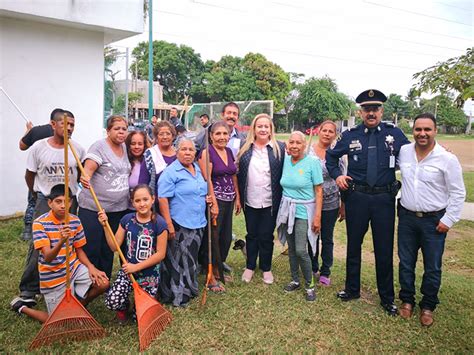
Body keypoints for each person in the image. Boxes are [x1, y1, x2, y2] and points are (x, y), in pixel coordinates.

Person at [326, 89, 410, 316]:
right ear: (360, 111)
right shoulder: (350, 135)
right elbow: (331, 156)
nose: (371, 113)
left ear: (382, 111)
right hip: (357, 198)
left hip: (384, 199)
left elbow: (416, 152)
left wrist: (440, 151)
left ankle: (387, 298)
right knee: (354, 245)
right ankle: (352, 289)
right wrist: (338, 176)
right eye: (367, 109)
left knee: (384, 249)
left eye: (375, 109)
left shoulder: (396, 134)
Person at [397, 113, 465, 326]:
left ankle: (428, 305)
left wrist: (449, 219)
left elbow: (458, 192)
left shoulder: (447, 158)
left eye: (427, 129)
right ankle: (407, 301)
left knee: (432, 266)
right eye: (418, 129)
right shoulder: (404, 152)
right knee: (406, 263)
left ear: (435, 131)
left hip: (434, 221)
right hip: (407, 217)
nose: (422, 134)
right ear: (413, 131)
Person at [12, 110, 85, 308]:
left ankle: (62, 282)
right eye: (64, 124)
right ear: (53, 125)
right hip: (46, 200)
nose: (69, 128)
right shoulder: (38, 148)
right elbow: (30, 175)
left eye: (72, 124)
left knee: (67, 240)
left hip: (70, 201)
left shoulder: (77, 149)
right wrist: (36, 195)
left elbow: (81, 176)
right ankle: (29, 289)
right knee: (40, 245)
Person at [10, 184, 109, 323]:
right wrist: (61, 240)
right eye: (58, 201)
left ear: (71, 202)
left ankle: (77, 306)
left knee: (103, 282)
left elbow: (79, 250)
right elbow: (48, 257)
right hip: (53, 275)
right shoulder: (40, 223)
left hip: (73, 268)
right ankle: (22, 307)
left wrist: (92, 267)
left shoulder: (74, 220)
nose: (63, 205)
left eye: (66, 201)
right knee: (59, 321)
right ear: (50, 203)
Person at [98, 184, 168, 324]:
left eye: (145, 199)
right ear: (132, 202)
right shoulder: (127, 220)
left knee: (140, 318)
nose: (142, 204)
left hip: (149, 275)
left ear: (153, 199)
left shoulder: (159, 223)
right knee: (112, 302)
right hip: (128, 273)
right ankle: (124, 307)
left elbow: (160, 254)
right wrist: (105, 226)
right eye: (137, 201)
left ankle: (146, 300)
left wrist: (137, 267)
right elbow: (114, 247)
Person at [158, 139, 215, 307]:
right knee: (178, 260)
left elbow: (200, 190)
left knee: (190, 259)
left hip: (197, 222)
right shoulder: (171, 172)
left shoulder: (196, 168)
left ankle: (189, 289)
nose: (188, 152)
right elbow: (163, 198)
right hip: (179, 223)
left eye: (191, 149)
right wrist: (168, 224)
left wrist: (208, 198)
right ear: (177, 151)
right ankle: (177, 296)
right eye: (184, 149)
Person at [78, 115, 131, 279]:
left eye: (124, 129)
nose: (121, 132)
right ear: (108, 131)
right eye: (117, 129)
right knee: (92, 247)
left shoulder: (125, 148)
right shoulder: (99, 147)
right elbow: (89, 168)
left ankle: (105, 281)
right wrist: (85, 175)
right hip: (94, 209)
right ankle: (89, 281)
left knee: (108, 248)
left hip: (118, 209)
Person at [236, 113, 285, 285]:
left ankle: (266, 268)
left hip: (271, 201)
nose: (263, 129)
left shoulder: (280, 148)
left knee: (266, 236)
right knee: (252, 235)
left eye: (266, 126)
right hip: (250, 200)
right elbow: (237, 173)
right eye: (260, 126)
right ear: (254, 129)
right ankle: (250, 266)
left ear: (271, 129)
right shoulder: (244, 147)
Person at [276, 131, 323, 302]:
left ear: (304, 145)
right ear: (287, 144)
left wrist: (317, 216)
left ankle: (309, 285)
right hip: (287, 210)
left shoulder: (312, 162)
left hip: (304, 211)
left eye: (298, 143)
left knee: (301, 250)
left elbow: (319, 190)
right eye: (292, 142)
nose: (295, 146)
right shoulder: (286, 161)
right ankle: (295, 279)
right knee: (291, 248)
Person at [198, 121, 241, 288]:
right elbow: (207, 179)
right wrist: (214, 203)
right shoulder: (206, 153)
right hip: (216, 201)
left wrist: (237, 197)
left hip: (229, 200)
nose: (222, 137)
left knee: (225, 237)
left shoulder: (229, 152)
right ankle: (210, 275)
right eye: (218, 134)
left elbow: (233, 175)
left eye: (225, 134)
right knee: (213, 237)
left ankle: (218, 269)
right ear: (211, 136)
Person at [309, 120, 346, 286]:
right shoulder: (308, 152)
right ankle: (312, 266)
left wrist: (343, 205)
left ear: (335, 135)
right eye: (324, 130)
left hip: (330, 201)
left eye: (331, 131)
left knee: (327, 238)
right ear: (319, 131)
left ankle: (326, 271)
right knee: (312, 235)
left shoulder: (338, 154)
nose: (327, 134)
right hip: (310, 201)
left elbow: (343, 181)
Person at [19, 108, 61, 241]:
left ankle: (28, 230)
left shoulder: (36, 131)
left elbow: (22, 146)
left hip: (38, 173)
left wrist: (29, 131)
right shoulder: (63, 131)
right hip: (56, 173)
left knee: (33, 200)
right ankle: (53, 229)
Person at [138, 120, 177, 198]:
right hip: (157, 202)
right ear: (156, 137)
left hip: (178, 202)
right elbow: (143, 183)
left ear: (173, 136)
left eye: (168, 134)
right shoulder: (150, 154)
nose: (165, 137)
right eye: (161, 134)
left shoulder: (179, 154)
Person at [125, 131, 148, 210]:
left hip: (145, 210)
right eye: (133, 144)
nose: (136, 147)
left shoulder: (149, 164)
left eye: (140, 144)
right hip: (125, 209)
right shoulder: (124, 162)